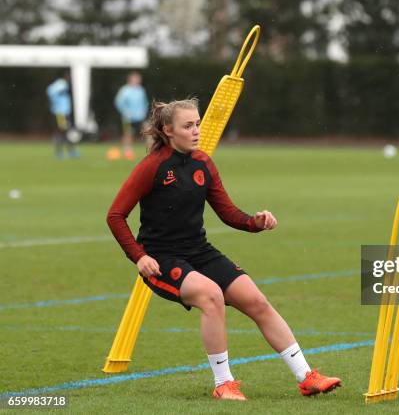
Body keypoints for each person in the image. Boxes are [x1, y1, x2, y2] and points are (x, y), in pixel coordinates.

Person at [106, 99, 341, 401]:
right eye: (188, 126)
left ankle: (307, 377)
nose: (196, 131)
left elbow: (228, 213)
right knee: (211, 296)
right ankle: (224, 384)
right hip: (162, 258)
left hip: (199, 251)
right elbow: (115, 215)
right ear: (168, 130)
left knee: (256, 300)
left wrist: (255, 222)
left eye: (198, 123)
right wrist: (140, 257)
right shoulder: (151, 167)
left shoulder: (203, 163)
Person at [114, 72, 148, 160]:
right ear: (130, 79)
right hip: (128, 117)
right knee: (128, 134)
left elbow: (144, 102)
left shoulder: (141, 90)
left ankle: (151, 151)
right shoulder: (125, 90)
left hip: (140, 116)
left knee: (149, 131)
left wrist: (144, 112)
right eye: (135, 78)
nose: (137, 80)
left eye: (138, 79)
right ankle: (128, 152)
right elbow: (119, 102)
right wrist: (125, 112)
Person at [46, 71, 79, 159]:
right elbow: (51, 91)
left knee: (64, 131)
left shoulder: (61, 84)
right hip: (61, 113)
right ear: (66, 76)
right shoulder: (62, 84)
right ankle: (64, 152)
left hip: (62, 112)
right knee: (63, 132)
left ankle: (67, 151)